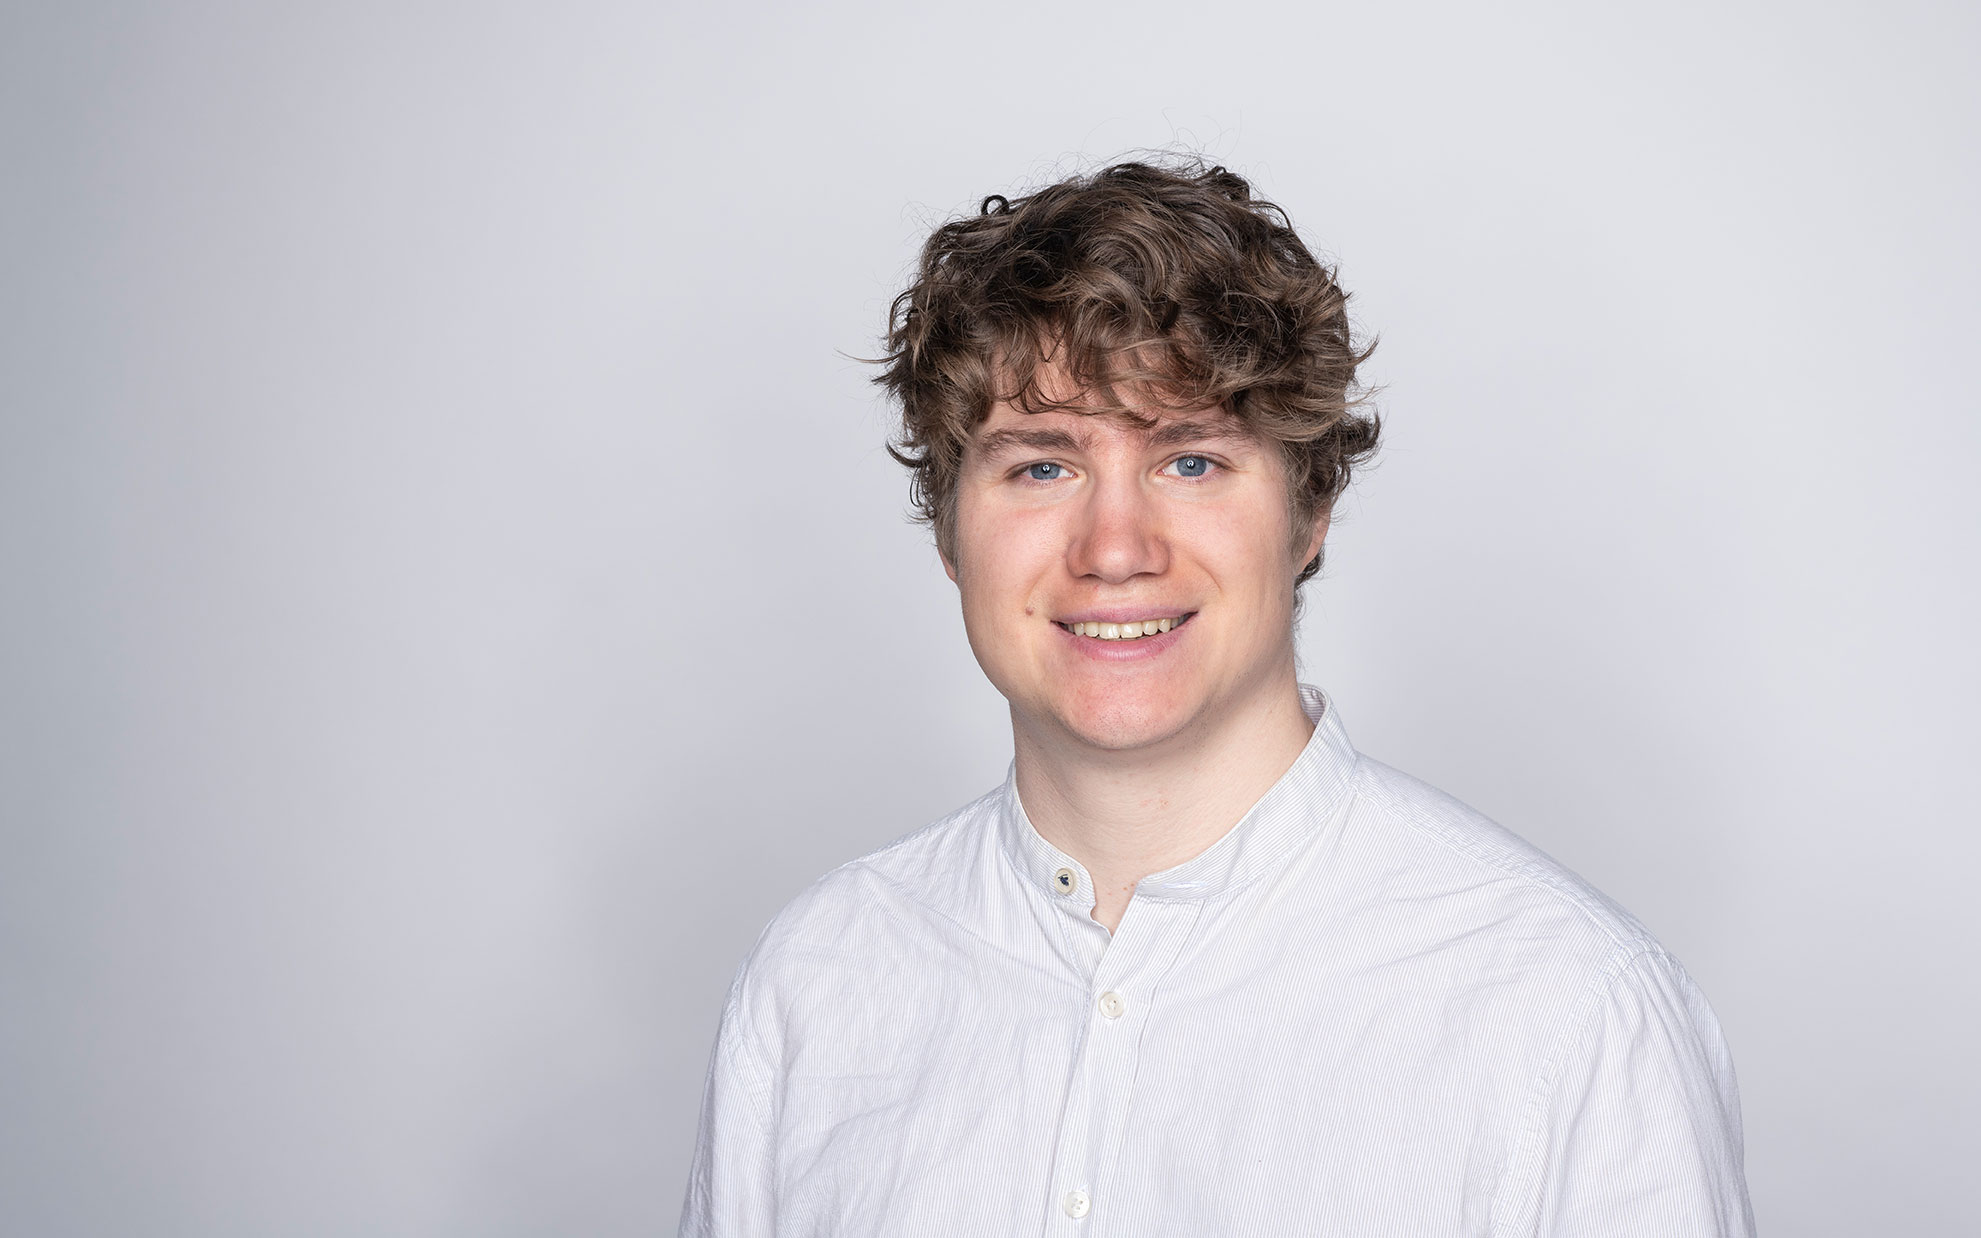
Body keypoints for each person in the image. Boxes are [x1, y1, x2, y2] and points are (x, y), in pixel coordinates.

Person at [679, 159, 1754, 1236]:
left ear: (1308, 513)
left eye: (1189, 461)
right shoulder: (817, 983)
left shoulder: (1567, 1014)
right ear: (951, 531)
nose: (1114, 549)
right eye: (1042, 467)